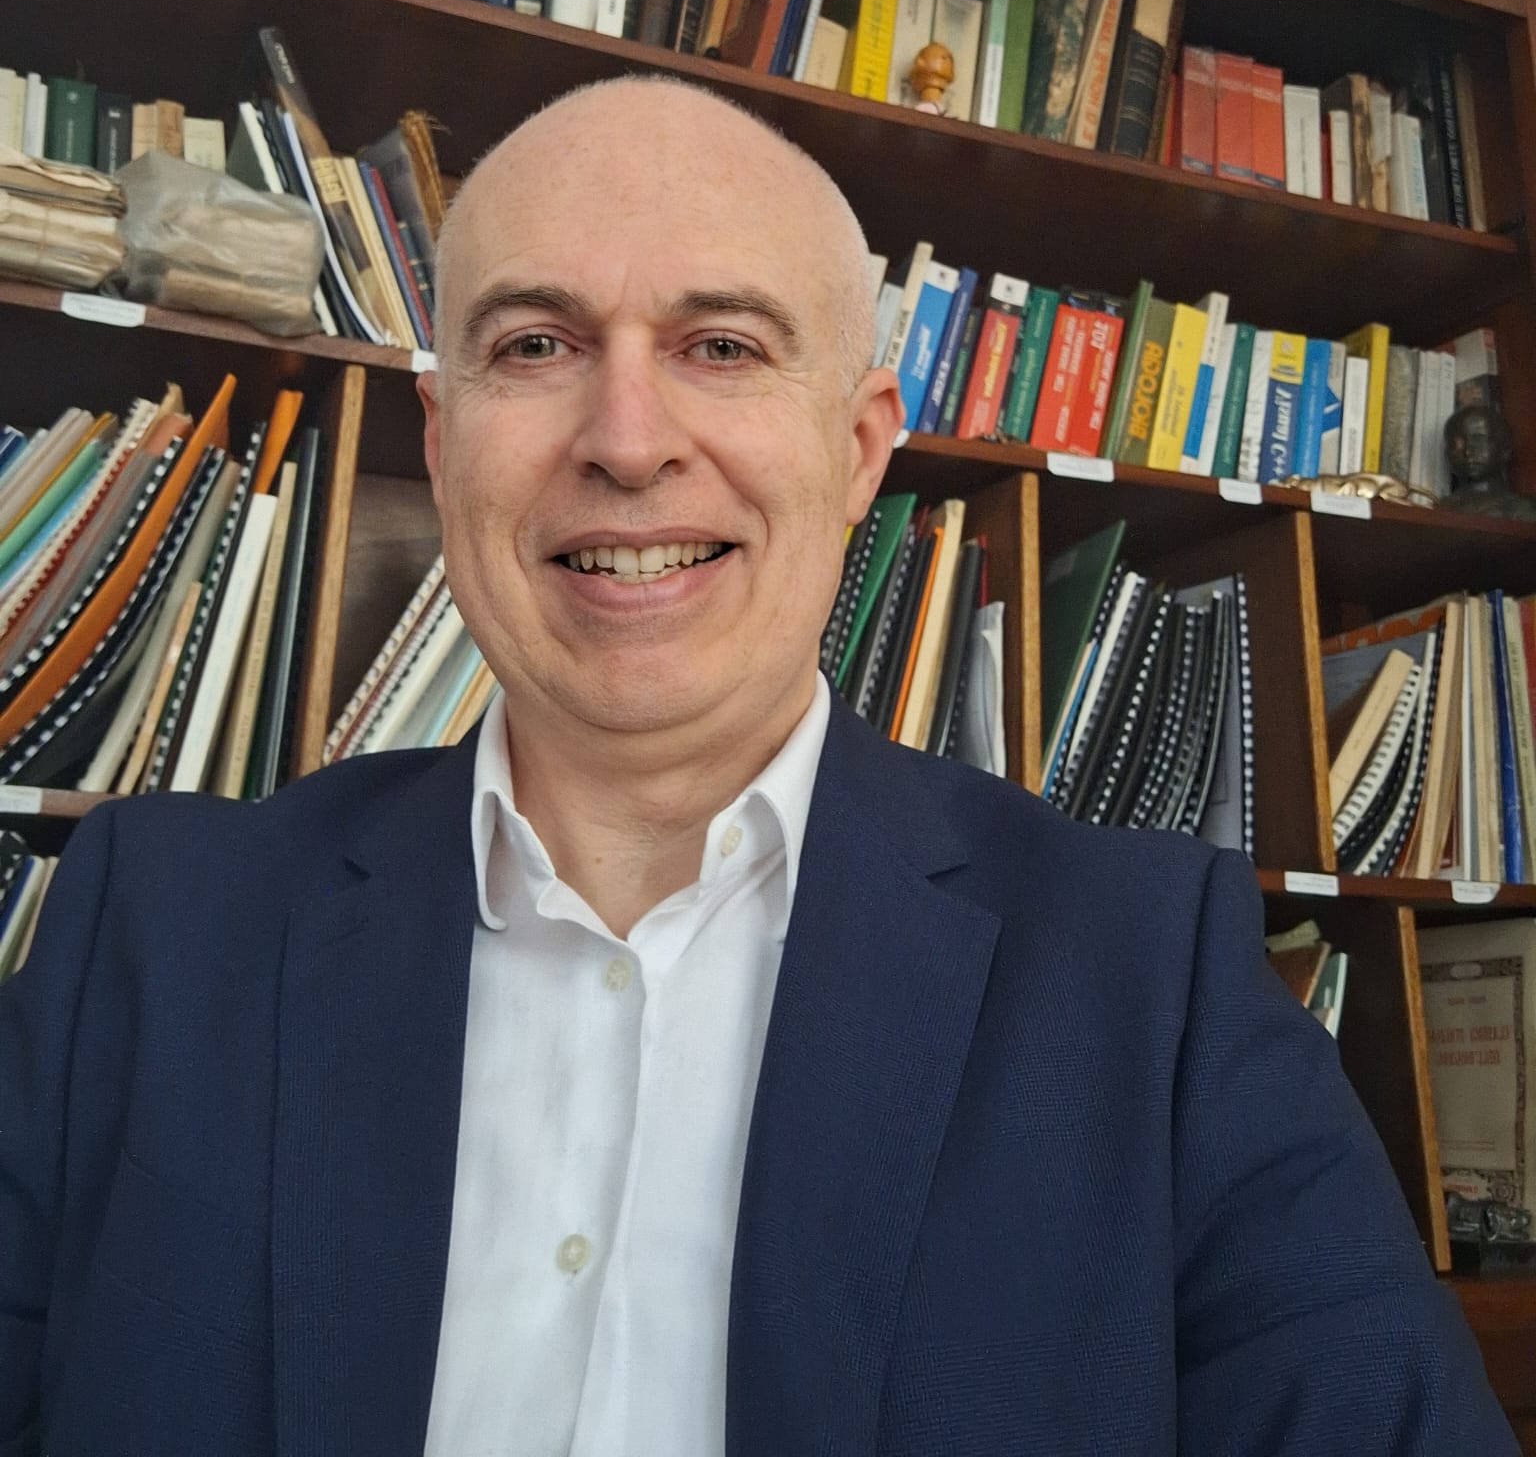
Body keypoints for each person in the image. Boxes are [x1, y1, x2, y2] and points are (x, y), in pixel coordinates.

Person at [0, 75, 1515, 1457]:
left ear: (858, 451)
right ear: (443, 442)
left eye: (721, 347)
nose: (627, 439)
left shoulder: (1149, 982)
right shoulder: (151, 926)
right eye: (536, 346)